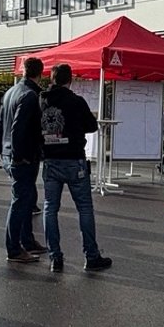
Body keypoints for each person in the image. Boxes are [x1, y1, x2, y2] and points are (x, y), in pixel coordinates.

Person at [39, 63, 111, 273]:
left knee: (50, 208)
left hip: (51, 159)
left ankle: (55, 257)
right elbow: (91, 126)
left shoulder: (42, 100)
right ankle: (91, 256)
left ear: (52, 79)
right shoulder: (76, 101)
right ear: (70, 80)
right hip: (74, 159)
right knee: (85, 209)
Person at [0, 58, 49, 262]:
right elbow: (18, 127)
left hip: (10, 152)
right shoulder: (30, 95)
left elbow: (1, 123)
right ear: (40, 73)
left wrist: (0, 149)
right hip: (23, 155)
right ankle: (14, 248)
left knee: (26, 198)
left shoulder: (12, 92)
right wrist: (20, 156)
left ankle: (27, 241)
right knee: (20, 200)